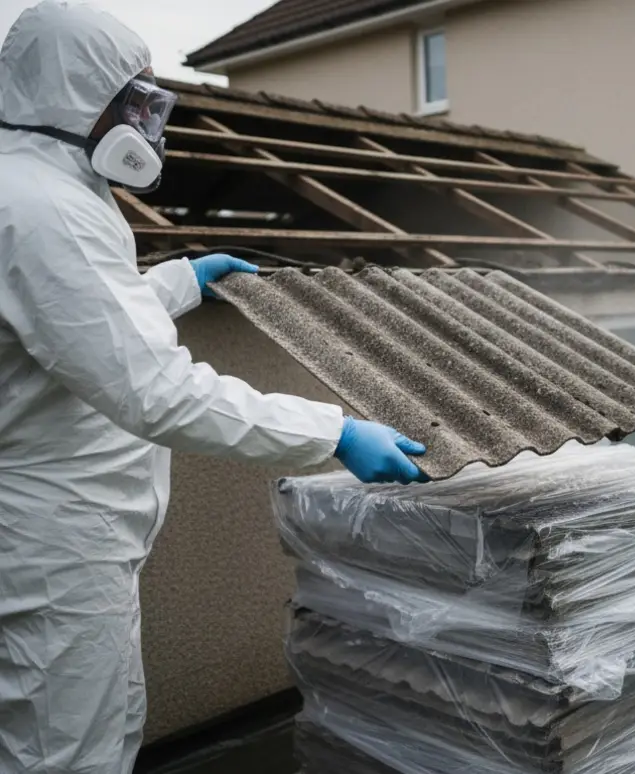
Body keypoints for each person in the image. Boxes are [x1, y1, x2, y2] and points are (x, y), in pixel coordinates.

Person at [0, 3, 428, 771]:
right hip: (50, 545)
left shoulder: (37, 188)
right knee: (64, 752)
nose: (146, 124)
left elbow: (80, 322)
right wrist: (333, 432)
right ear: (74, 96)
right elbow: (153, 390)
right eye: (131, 104)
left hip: (60, 535)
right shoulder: (42, 208)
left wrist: (179, 280)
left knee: (91, 727)